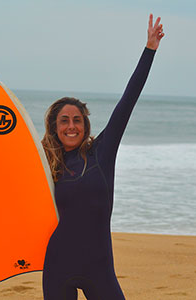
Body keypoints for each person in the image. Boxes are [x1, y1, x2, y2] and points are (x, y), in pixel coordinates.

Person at [41, 13, 164, 300]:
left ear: (85, 125)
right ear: (54, 127)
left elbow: (128, 100)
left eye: (77, 120)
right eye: (64, 121)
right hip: (57, 265)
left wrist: (149, 50)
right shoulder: (45, 165)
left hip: (99, 267)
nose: (71, 126)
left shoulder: (101, 153)